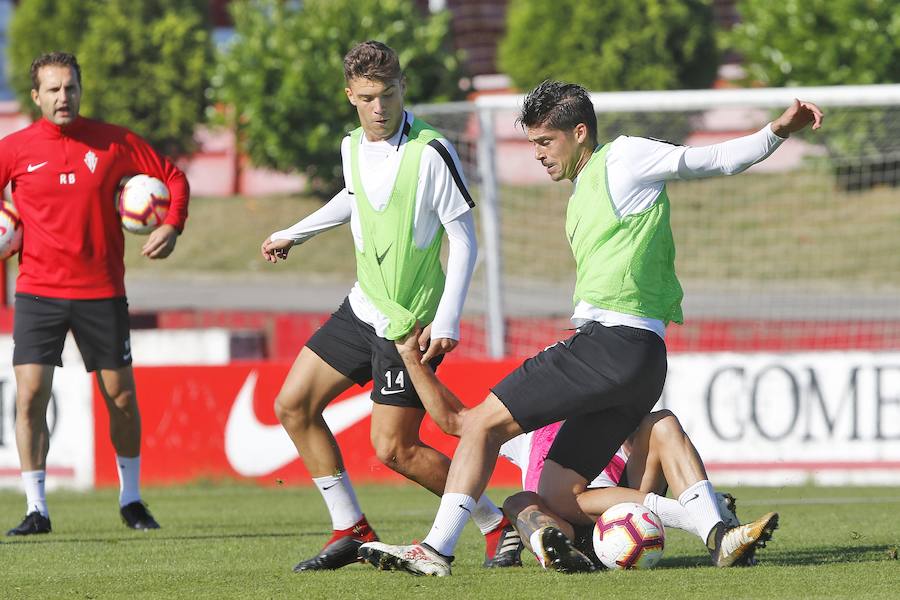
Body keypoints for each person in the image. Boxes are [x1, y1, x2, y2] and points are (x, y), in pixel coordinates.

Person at [359, 80, 823, 576]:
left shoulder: (624, 158)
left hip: (611, 344)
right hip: (644, 363)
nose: (537, 154)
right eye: (533, 142)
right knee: (558, 493)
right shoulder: (584, 187)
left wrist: (776, 130)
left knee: (480, 425)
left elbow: (714, 159)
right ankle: (718, 533)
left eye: (545, 142)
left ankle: (436, 549)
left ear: (580, 132)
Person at [259, 41, 518, 572]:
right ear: (351, 95)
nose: (381, 107)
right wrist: (294, 233)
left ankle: (498, 526)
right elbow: (352, 197)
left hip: (411, 323)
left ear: (403, 87)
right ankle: (350, 527)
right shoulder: (351, 146)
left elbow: (465, 240)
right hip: (364, 307)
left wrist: (447, 318)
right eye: (370, 97)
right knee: (293, 405)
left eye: (390, 93)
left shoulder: (431, 152)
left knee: (395, 450)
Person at [1, 52, 189, 536]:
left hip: (101, 292)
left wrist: (171, 224)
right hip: (38, 292)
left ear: (80, 90)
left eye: (71, 87)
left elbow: (174, 178)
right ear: (37, 96)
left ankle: (131, 500)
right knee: (29, 396)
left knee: (121, 398)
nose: (64, 97)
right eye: (54, 89)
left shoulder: (114, 141)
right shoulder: (15, 148)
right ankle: (36, 508)